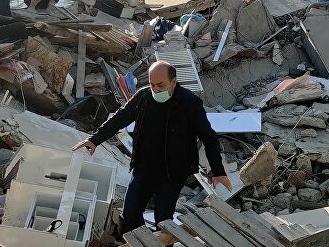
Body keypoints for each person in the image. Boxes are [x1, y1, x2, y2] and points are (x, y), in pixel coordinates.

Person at [72, 61, 232, 236]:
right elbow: (119, 119)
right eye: (152, 84)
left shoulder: (189, 103)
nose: (156, 89)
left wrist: (218, 171)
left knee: (163, 220)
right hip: (144, 167)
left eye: (161, 85)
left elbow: (208, 137)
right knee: (130, 213)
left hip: (173, 172)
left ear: (173, 82)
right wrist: (94, 140)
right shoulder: (143, 97)